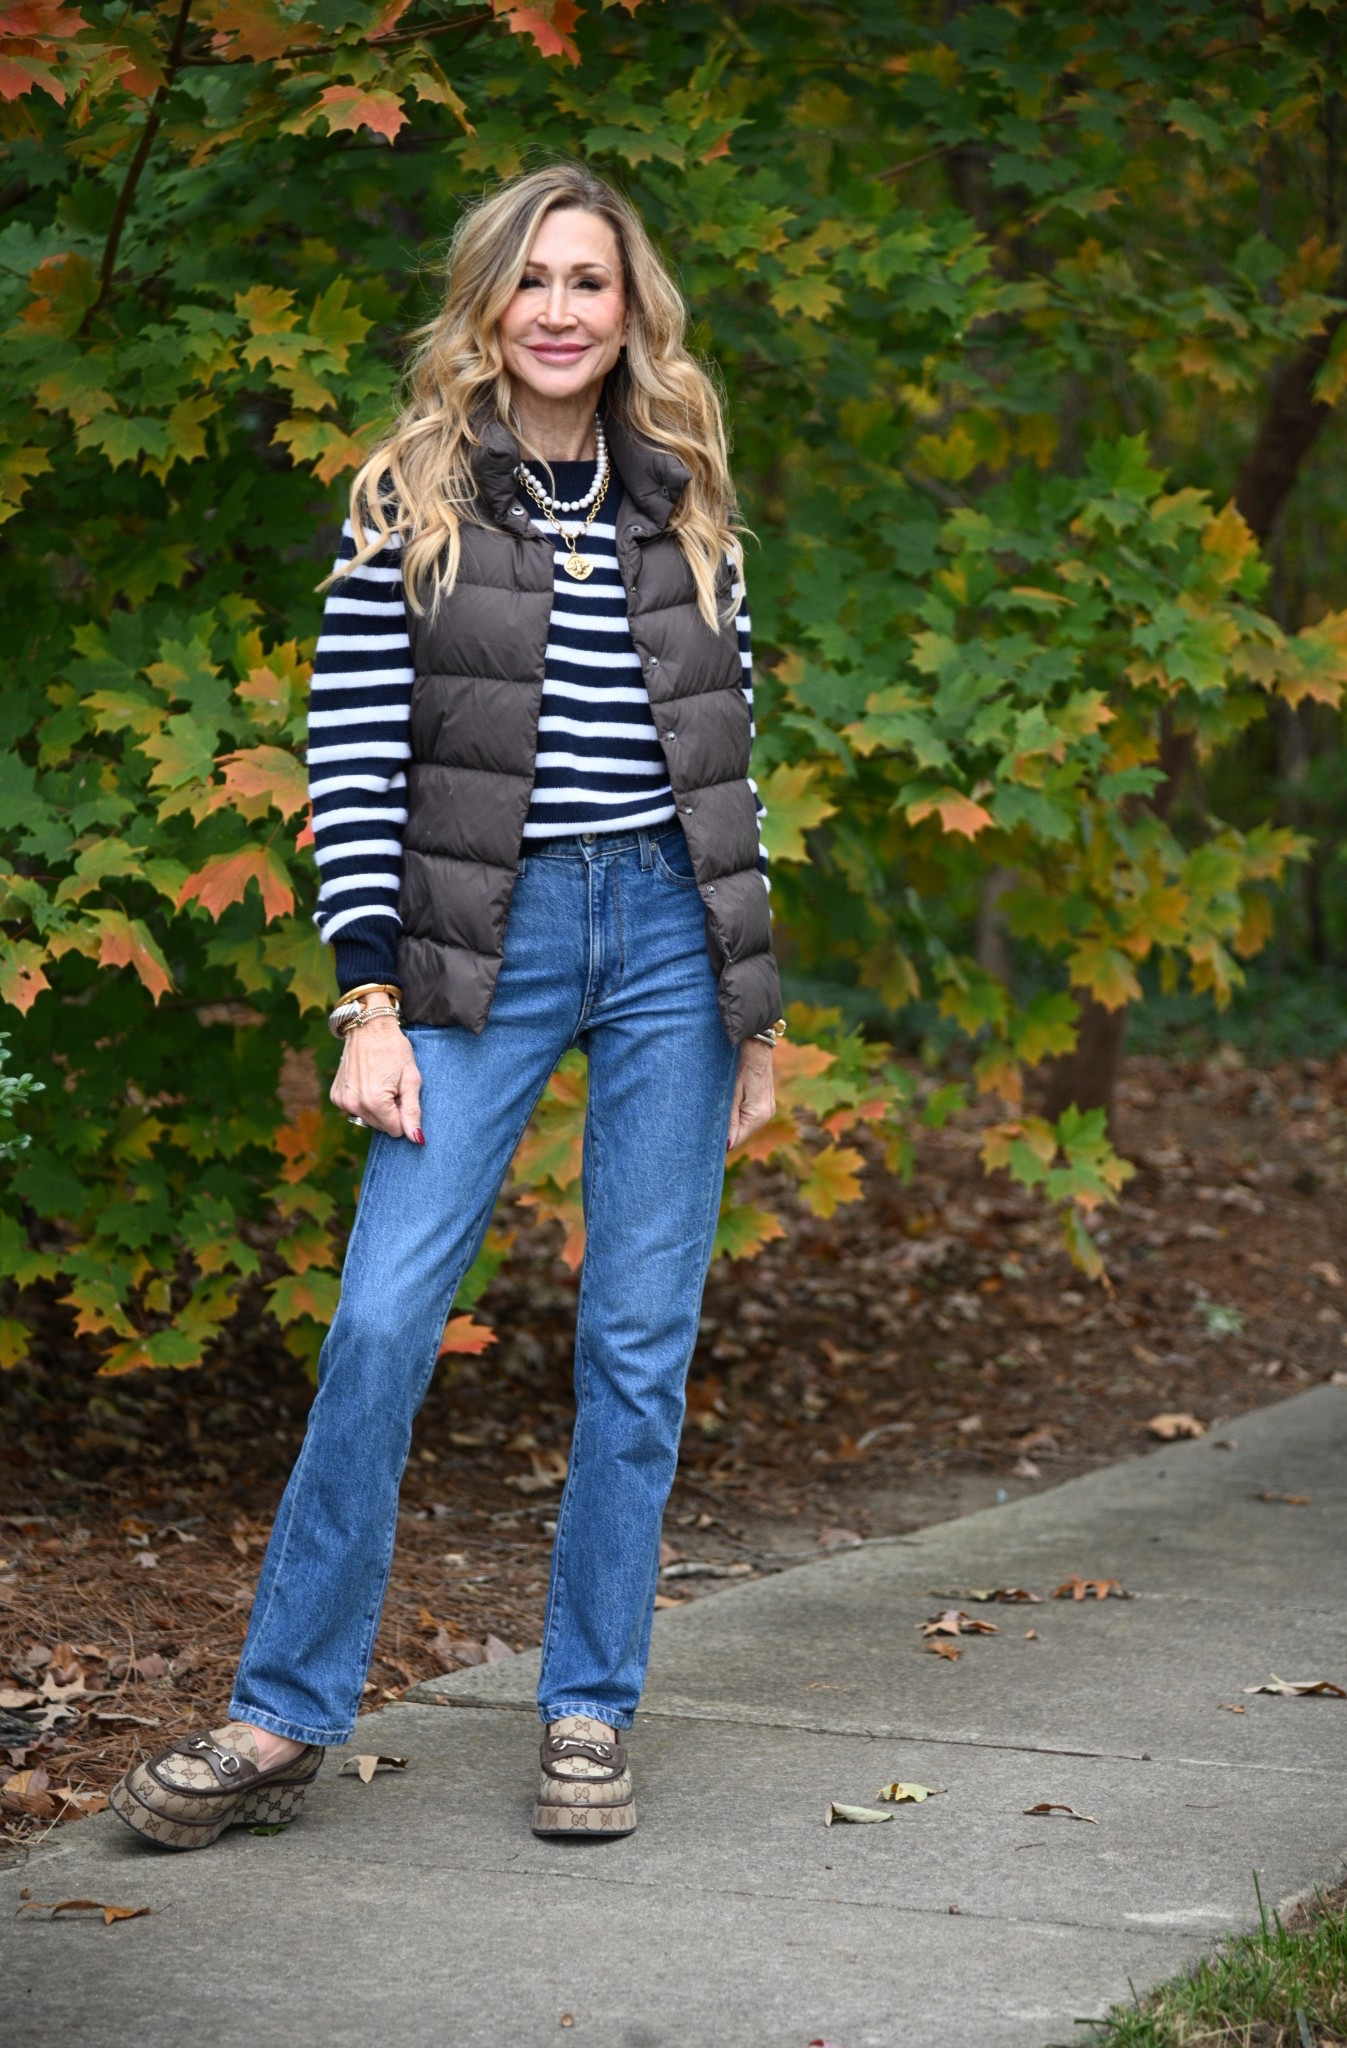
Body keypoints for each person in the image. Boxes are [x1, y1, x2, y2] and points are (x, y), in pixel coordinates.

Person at [111, 162, 783, 1850]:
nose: (561, 311)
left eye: (592, 283)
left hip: (671, 951)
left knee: (637, 1349)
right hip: (477, 946)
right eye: (531, 281)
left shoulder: (685, 495)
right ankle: (282, 1717)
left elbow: (730, 764)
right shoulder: (406, 493)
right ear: (485, 304)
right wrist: (364, 1006)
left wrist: (752, 1014)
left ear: (632, 314)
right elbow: (346, 761)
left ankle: (585, 1707)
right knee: (381, 1320)